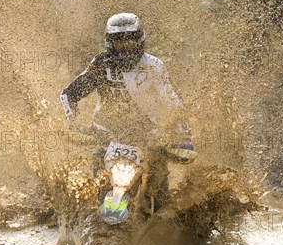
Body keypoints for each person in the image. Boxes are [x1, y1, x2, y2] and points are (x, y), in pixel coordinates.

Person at [59, 12, 193, 210]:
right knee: (99, 178)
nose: (125, 47)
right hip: (106, 133)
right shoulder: (100, 65)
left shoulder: (154, 66)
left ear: (139, 40)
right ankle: (96, 213)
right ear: (110, 43)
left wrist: (184, 136)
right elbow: (69, 95)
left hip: (148, 135)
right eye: (119, 42)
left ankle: (161, 222)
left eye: (130, 41)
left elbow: (172, 102)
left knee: (159, 184)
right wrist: (74, 122)